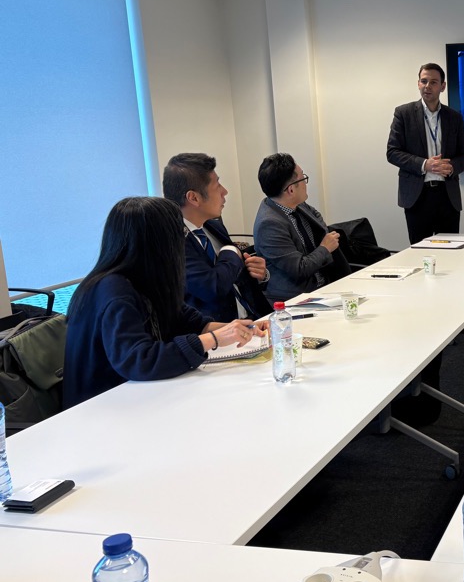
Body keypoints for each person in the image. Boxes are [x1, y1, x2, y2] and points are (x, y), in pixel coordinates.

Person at [64, 197, 267, 408]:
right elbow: (140, 360)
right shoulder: (114, 291)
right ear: (157, 243)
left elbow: (184, 320)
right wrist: (213, 339)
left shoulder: (143, 278)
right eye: (180, 234)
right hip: (101, 408)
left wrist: (240, 329)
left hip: (136, 396)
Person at [163, 153, 272, 322]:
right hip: (219, 330)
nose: (224, 192)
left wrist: (259, 274)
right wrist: (230, 251)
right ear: (194, 197)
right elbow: (211, 288)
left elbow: (233, 276)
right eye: (217, 185)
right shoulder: (173, 240)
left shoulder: (212, 226)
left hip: (254, 318)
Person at [386, 62, 464, 244]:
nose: (427, 86)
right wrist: (425, 164)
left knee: (450, 251)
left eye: (433, 82)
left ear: (443, 86)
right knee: (420, 252)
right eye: (424, 81)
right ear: (418, 83)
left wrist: (452, 167)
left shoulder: (454, 117)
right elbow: (392, 152)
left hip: (447, 196)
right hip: (417, 196)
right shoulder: (403, 113)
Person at [253, 153, 351, 303]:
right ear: (291, 190)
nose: (306, 183)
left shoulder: (296, 204)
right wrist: (325, 248)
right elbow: (299, 269)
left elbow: (318, 220)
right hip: (296, 299)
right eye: (303, 178)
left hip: (325, 286)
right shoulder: (269, 225)